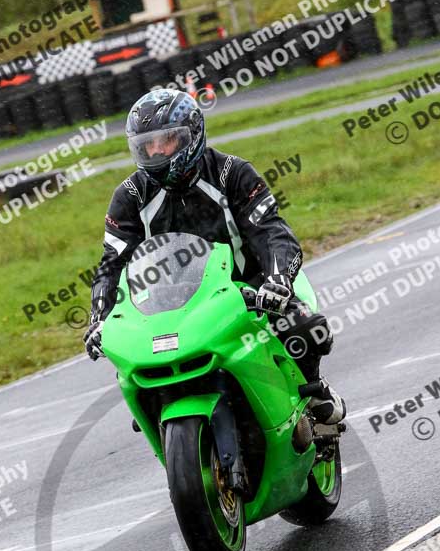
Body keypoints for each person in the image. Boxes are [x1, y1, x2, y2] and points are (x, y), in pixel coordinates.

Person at [84, 89, 345, 424]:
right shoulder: (131, 195)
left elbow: (271, 232)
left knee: (307, 328)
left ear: (192, 136)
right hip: (169, 304)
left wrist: (277, 281)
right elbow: (112, 263)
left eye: (167, 141)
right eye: (148, 145)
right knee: (131, 363)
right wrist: (99, 319)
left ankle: (313, 391)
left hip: (246, 288)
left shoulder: (231, 173)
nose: (157, 151)